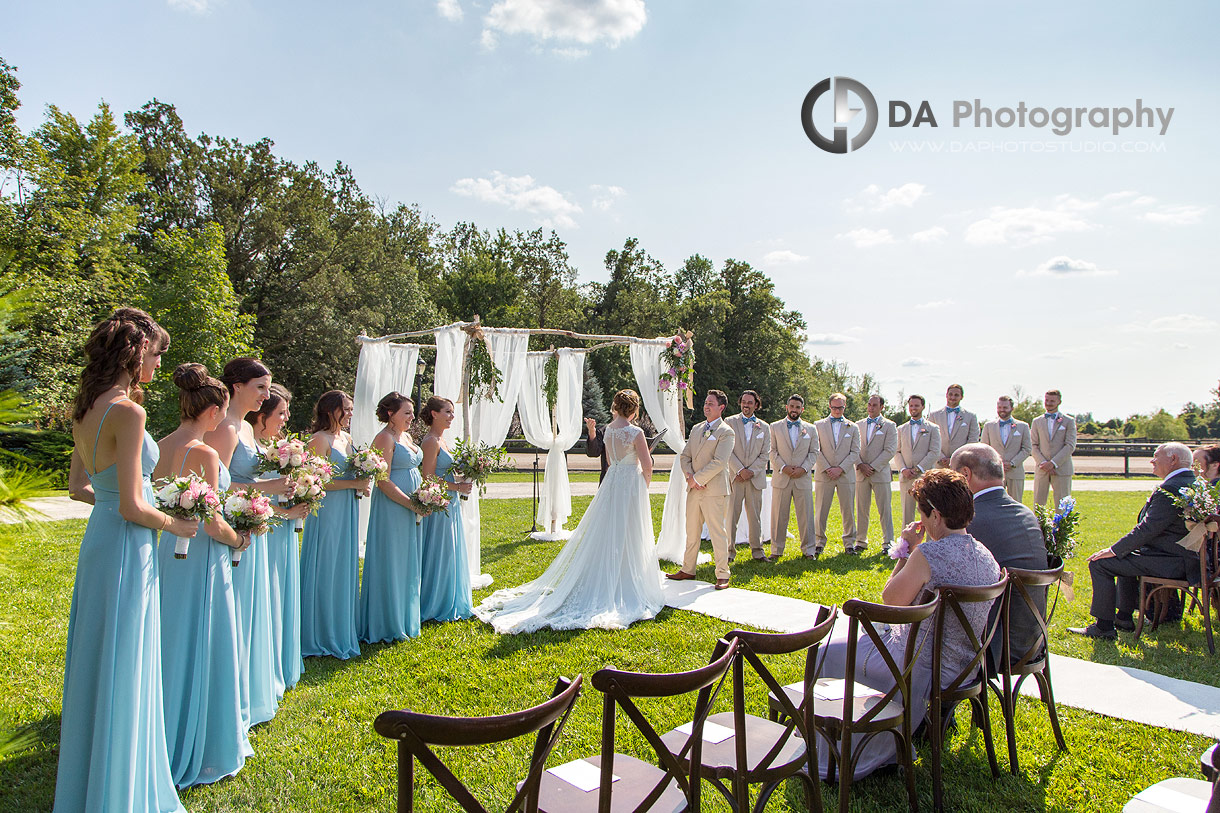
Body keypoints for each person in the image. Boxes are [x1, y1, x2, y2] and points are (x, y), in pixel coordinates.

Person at [56, 308, 193, 813]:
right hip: (128, 544)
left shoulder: (86, 406)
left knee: (103, 652)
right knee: (125, 652)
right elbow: (136, 506)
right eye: (157, 354)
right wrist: (173, 522)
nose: (160, 363)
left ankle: (97, 771)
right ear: (136, 354)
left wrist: (127, 502)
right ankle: (119, 787)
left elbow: (80, 488)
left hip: (101, 540)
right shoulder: (129, 412)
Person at [815, 468, 1001, 779]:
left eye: (924, 514)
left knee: (826, 651)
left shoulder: (928, 554)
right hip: (966, 665)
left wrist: (905, 550)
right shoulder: (986, 555)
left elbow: (890, 601)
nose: (923, 521)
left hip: (921, 664)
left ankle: (838, 744)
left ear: (937, 516)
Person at [476, 389, 664, 632]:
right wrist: (643, 485)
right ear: (635, 409)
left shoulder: (608, 431)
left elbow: (608, 462)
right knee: (631, 533)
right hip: (630, 486)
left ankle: (606, 576)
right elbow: (647, 466)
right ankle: (628, 580)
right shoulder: (636, 432)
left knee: (607, 532)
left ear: (615, 406)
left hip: (611, 484)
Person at [154, 363, 253, 788]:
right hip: (205, 557)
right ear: (214, 411)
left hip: (167, 553)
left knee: (172, 637)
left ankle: (162, 730)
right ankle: (202, 741)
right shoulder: (207, 454)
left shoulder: (159, 444)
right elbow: (213, 523)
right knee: (207, 639)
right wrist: (239, 541)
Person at [205, 358, 282, 728]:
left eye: (268, 389)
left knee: (252, 604)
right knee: (236, 606)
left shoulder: (249, 429)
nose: (266, 396)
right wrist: (269, 489)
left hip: (254, 522)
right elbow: (212, 486)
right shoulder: (225, 428)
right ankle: (227, 691)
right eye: (260, 388)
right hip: (232, 527)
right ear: (236, 386)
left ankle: (248, 685)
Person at [1070, 442, 1196, 639]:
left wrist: (1112, 549)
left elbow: (1147, 529)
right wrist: (1121, 550)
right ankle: (1123, 618)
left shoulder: (1171, 488)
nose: (1152, 460)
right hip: (1185, 557)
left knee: (1101, 563)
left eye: (1156, 456)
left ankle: (1103, 627)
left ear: (1173, 460)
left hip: (1172, 562)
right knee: (1125, 555)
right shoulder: (1194, 483)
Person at [951, 443, 1048, 666]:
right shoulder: (1026, 513)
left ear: (965, 474)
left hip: (992, 646)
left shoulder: (968, 520)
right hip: (1032, 640)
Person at [247, 383, 310, 691]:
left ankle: (282, 660)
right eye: (281, 413)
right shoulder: (250, 448)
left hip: (284, 527)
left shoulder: (283, 448)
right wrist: (286, 512)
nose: (286, 418)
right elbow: (250, 491)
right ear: (263, 415)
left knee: (282, 591)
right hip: (267, 528)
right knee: (267, 594)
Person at [300, 390, 372, 656]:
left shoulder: (347, 438)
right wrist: (354, 483)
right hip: (328, 510)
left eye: (352, 409)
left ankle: (343, 625)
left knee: (344, 563)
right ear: (331, 410)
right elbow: (313, 481)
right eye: (347, 409)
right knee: (327, 563)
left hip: (348, 508)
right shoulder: (318, 440)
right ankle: (320, 630)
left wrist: (361, 482)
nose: (351, 413)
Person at [358, 392, 424, 643]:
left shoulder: (405, 436)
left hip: (412, 506)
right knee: (392, 558)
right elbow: (382, 481)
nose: (412, 417)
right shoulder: (384, 438)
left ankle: (407, 616)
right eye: (406, 412)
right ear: (390, 414)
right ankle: (387, 621)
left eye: (412, 412)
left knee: (408, 559)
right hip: (393, 506)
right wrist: (410, 504)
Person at [669, 389, 735, 589]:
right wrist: (690, 477)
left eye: (711, 404)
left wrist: (698, 478)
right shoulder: (697, 428)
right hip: (694, 489)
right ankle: (688, 569)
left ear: (721, 408)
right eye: (705, 403)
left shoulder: (726, 432)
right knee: (691, 531)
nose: (706, 406)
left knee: (717, 532)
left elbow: (720, 461)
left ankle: (723, 573)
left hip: (714, 490)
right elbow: (685, 456)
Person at [419, 396, 475, 621]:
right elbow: (428, 477)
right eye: (448, 412)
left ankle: (451, 597)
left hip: (450, 500)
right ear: (434, 414)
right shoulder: (431, 441)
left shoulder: (443, 440)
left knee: (450, 550)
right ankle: (436, 602)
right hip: (439, 502)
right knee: (441, 552)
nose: (452, 416)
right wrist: (457, 486)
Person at [769, 394, 819, 560]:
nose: (794, 410)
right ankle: (776, 550)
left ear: (802, 409)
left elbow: (814, 452)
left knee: (806, 516)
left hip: (802, 478)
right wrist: (783, 467)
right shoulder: (775, 427)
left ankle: (809, 550)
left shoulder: (811, 429)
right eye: (792, 406)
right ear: (787, 407)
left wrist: (804, 469)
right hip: (782, 477)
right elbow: (772, 451)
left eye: (797, 407)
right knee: (778, 516)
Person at [814, 392, 861, 555]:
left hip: (845, 474)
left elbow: (855, 451)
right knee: (821, 510)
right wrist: (827, 468)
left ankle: (849, 543)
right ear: (829, 406)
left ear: (844, 406)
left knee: (848, 510)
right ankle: (818, 542)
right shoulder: (818, 425)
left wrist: (840, 468)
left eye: (840, 407)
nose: (837, 410)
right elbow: (815, 449)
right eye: (834, 407)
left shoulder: (853, 427)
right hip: (824, 473)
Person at [726, 390, 770, 562]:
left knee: (755, 518)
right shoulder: (729, 422)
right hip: (735, 478)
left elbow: (765, 454)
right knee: (731, 517)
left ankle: (757, 551)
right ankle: (728, 552)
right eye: (744, 401)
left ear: (756, 405)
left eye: (750, 402)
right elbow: (726, 449)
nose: (746, 405)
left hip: (754, 479)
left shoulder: (764, 427)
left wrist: (751, 471)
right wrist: (739, 470)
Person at [855, 394, 898, 553]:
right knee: (861, 509)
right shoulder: (857, 425)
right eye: (869, 404)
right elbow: (854, 448)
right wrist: (860, 464)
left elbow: (890, 450)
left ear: (882, 407)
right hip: (861, 473)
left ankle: (888, 543)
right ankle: (860, 541)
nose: (871, 407)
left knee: (884, 510)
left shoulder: (889, 426)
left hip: (879, 473)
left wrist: (871, 466)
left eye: (874, 405)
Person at [895, 395, 942, 527]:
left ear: (923, 407)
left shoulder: (933, 428)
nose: (913, 408)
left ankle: (929, 543)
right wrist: (904, 469)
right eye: (911, 406)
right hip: (906, 477)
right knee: (907, 513)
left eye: (916, 405)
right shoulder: (901, 429)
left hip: (925, 476)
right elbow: (897, 451)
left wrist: (918, 469)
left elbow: (934, 452)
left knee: (928, 510)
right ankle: (907, 545)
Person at [981, 396, 1032, 501]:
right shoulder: (989, 426)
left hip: (1015, 471)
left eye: (1005, 407)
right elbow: (984, 448)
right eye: (999, 407)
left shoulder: (1023, 426)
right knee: (995, 502)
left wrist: (1013, 463)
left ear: (1012, 408)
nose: (1002, 410)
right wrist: (997, 463)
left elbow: (1027, 448)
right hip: (995, 473)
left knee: (1016, 502)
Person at [1031, 389, 1076, 508]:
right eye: (1046, 400)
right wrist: (1044, 463)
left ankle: (1061, 527)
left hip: (1061, 468)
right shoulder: (1037, 421)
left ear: (1059, 402)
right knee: (1039, 505)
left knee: (1062, 505)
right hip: (1042, 468)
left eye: (1052, 401)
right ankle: (1039, 527)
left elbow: (1070, 445)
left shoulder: (1068, 421)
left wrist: (1053, 463)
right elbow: (1033, 445)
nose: (1049, 403)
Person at [930, 384, 980, 468]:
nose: (953, 397)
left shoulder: (971, 416)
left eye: (956, 395)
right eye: (950, 394)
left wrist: (955, 458)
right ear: (946, 395)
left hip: (961, 464)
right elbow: (930, 439)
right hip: (939, 464)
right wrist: (941, 458)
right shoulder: (934, 415)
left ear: (961, 397)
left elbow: (972, 440)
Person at [582, 417, 610, 483]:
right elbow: (593, 453)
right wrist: (592, 431)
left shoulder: (636, 431)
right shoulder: (604, 430)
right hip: (607, 479)